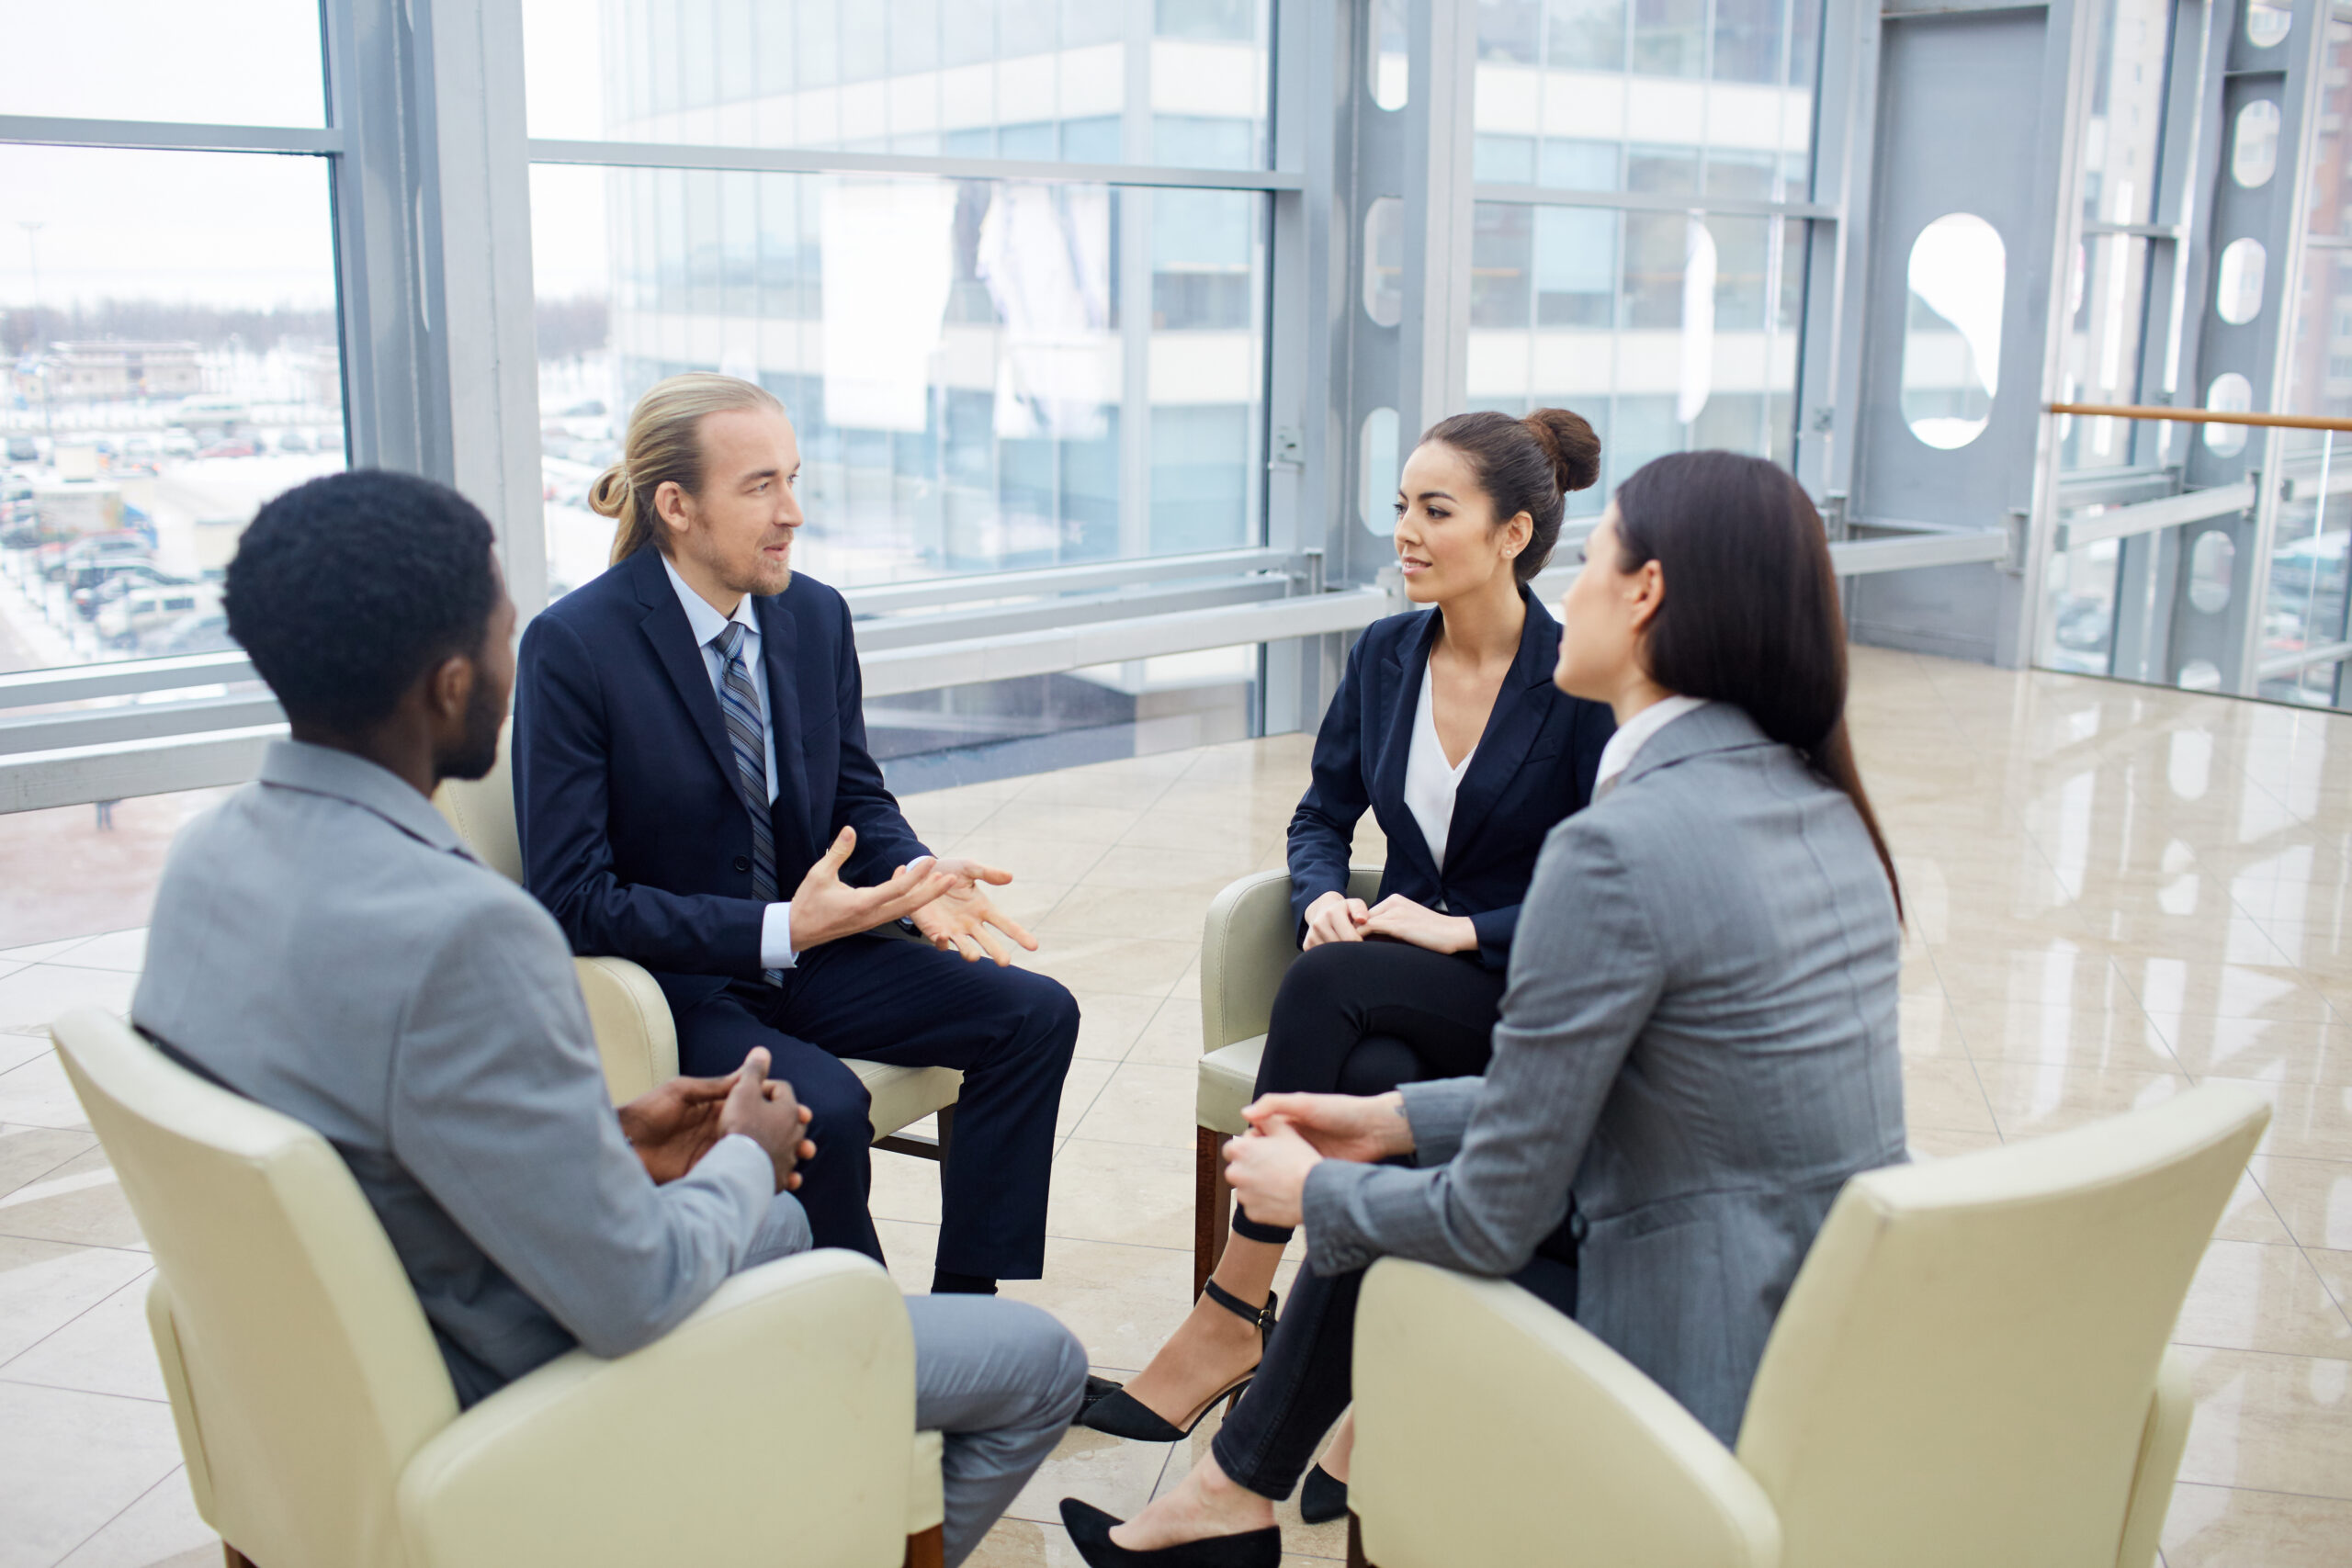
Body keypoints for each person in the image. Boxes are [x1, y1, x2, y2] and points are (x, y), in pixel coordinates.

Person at [130, 470, 1086, 1567]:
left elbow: (379, 1131)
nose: (511, 661)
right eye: (498, 634)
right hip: (527, 1381)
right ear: (451, 683)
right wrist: (745, 1151)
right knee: (1036, 1362)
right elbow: (633, 1294)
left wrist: (620, 1137)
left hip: (355, 1342)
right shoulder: (469, 935)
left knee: (782, 1230)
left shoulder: (204, 863)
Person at [1057, 450, 1910, 1565]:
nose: (1577, 583)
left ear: (1643, 594)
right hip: (1813, 1309)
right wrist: (1395, 1119)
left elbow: (1492, 1218)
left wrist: (1317, 1184)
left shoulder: (1620, 846)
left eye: (1595, 556)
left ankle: (1233, 1455)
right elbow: (1651, 1092)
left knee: (1389, 1219)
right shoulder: (1822, 804)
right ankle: (1232, 1489)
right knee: (1381, 1118)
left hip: (1683, 1336)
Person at [1082, 410, 1617, 1494]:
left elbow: (1613, 893)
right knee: (1365, 1060)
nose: (1404, 534)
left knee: (1329, 990)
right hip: (1396, 991)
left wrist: (1464, 928)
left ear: (1512, 534)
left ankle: (1233, 1312)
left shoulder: (1580, 680)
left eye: (1434, 511)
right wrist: (1324, 896)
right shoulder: (1384, 656)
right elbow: (1320, 818)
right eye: (1399, 509)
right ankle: (1369, 1377)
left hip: (1526, 990)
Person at [514, 374, 1080, 1299]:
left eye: (794, 477)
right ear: (677, 506)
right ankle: (859, 1345)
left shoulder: (812, 616)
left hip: (817, 958)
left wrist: (916, 876)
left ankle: (966, 1312)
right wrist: (781, 930)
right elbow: (572, 900)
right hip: (686, 988)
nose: (794, 512)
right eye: (761, 486)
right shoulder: (575, 648)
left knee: (1034, 1014)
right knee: (829, 1107)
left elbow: (856, 794)